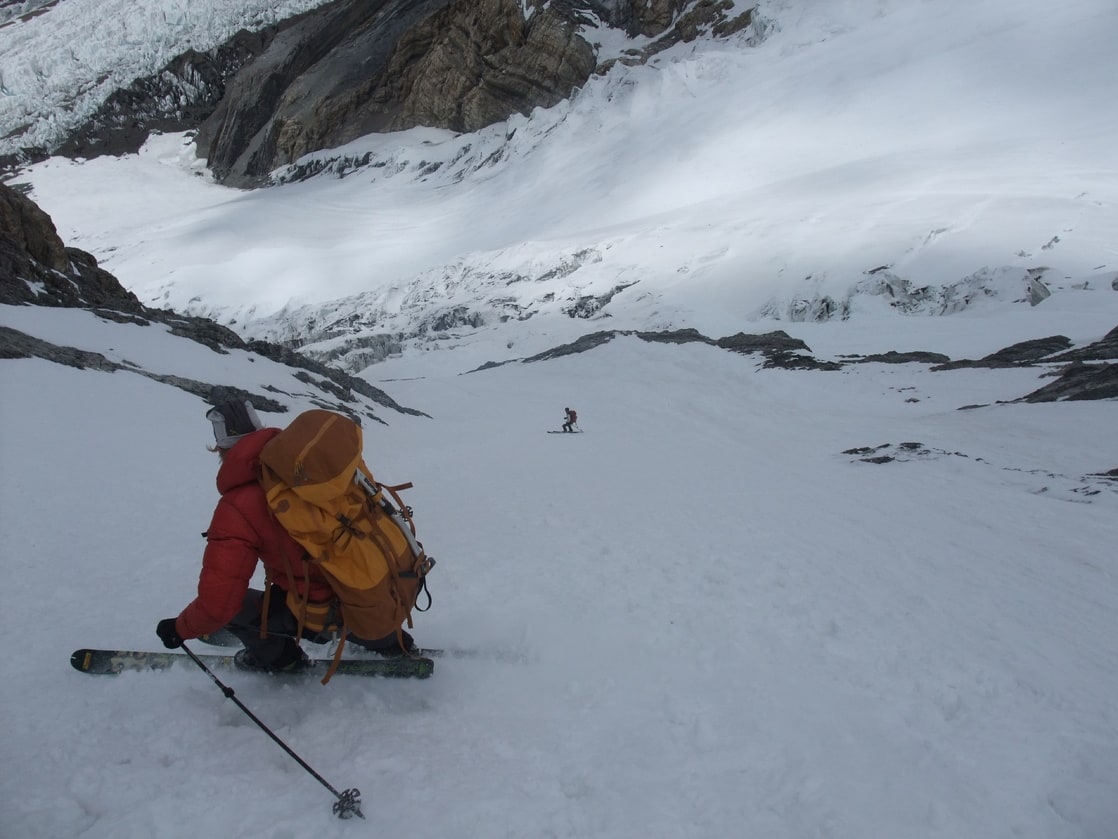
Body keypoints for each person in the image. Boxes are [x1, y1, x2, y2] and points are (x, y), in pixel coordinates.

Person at [155, 399, 415, 673]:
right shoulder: (313, 467)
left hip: (325, 609)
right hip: (383, 583)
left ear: (220, 448)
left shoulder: (238, 505)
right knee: (335, 580)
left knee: (237, 608)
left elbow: (218, 603)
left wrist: (180, 628)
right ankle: (388, 640)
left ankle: (282, 659)